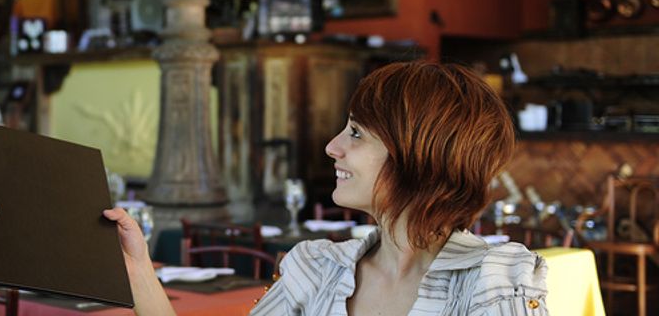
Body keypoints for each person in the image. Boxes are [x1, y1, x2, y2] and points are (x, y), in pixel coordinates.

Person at [106, 61, 549, 315]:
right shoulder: (317, 268)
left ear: (419, 155)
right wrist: (139, 269)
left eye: (356, 133)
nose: (332, 146)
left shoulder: (491, 280)